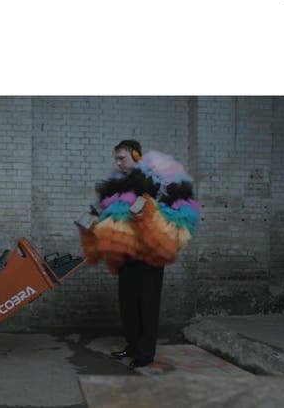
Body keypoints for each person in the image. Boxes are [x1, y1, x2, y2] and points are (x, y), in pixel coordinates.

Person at [78, 139, 198, 368]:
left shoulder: (159, 180)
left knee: (148, 303)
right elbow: (102, 206)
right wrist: (90, 216)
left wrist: (150, 208)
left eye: (122, 158)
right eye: (116, 159)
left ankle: (145, 354)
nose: (118, 163)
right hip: (127, 253)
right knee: (128, 303)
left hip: (151, 253)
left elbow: (176, 209)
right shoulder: (118, 183)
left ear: (136, 155)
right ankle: (132, 345)